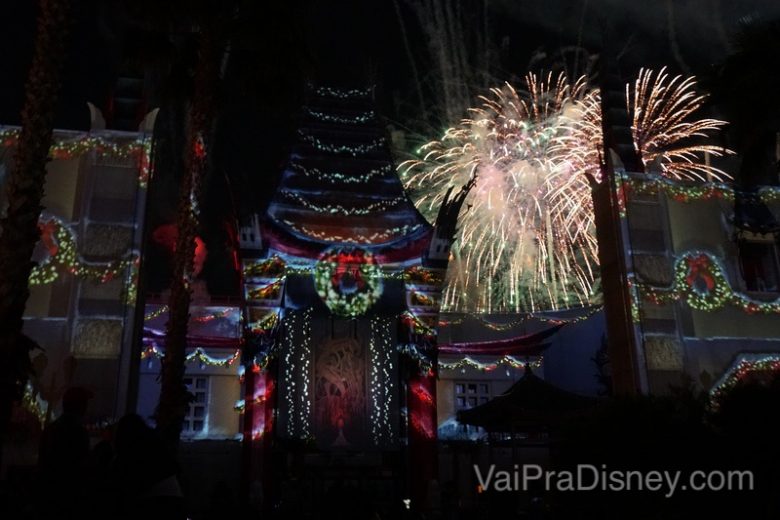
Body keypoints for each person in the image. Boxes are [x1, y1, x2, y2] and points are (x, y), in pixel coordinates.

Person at [113, 414, 186, 520]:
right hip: (175, 502)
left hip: (154, 505)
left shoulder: (133, 452)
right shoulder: (154, 443)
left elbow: (125, 486)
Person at [38, 386, 94, 519]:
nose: (86, 408)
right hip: (68, 500)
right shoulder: (78, 432)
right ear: (80, 406)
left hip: (47, 498)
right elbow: (81, 468)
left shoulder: (51, 429)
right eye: (84, 403)